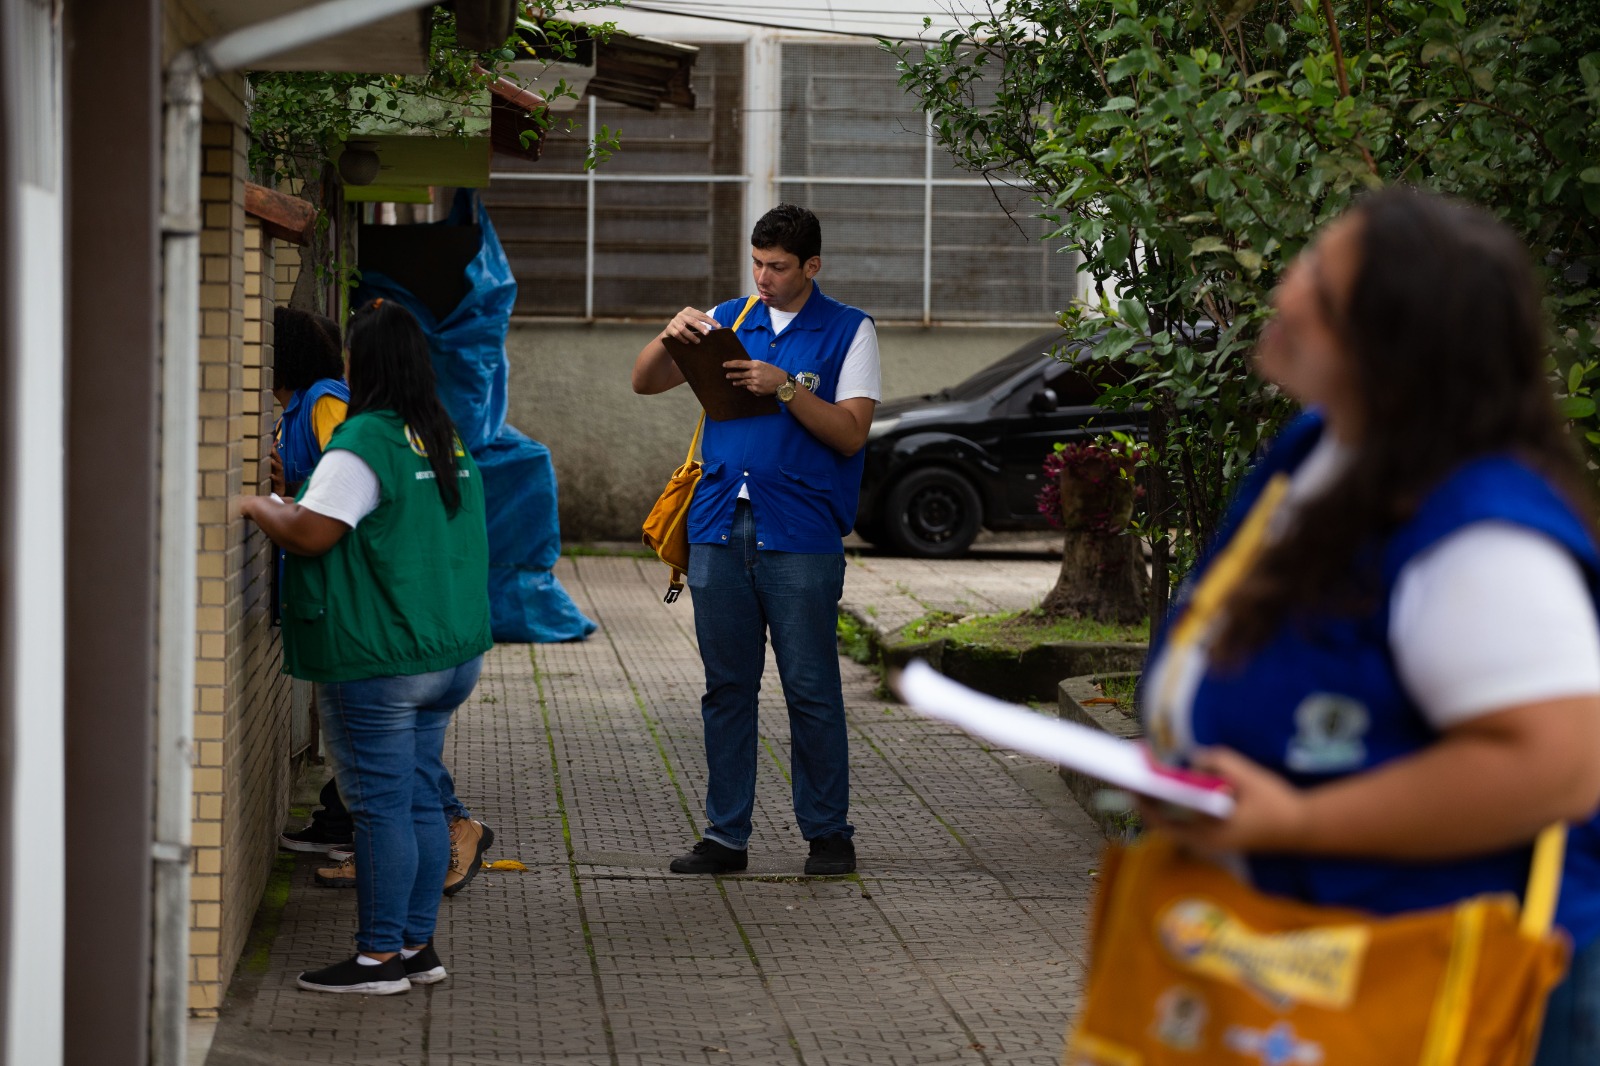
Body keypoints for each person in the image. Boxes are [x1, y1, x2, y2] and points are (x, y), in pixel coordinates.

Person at [1139, 186, 1600, 1064]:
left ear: (1394, 346)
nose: (1283, 288)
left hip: (1447, 996)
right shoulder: (1318, 449)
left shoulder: (1484, 529)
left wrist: (1300, 823)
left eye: (1318, 277)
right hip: (1304, 982)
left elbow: (1558, 766)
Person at [241, 298, 493, 994]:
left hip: (380, 660)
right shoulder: (441, 436)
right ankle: (417, 950)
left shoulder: (363, 440)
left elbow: (312, 533)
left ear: (359, 365)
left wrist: (256, 506)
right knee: (415, 799)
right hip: (448, 654)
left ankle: (377, 958)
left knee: (380, 808)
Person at [631, 204, 880, 876]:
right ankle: (725, 837)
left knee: (811, 688)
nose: (763, 277)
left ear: (811, 267)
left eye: (777, 267)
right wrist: (670, 333)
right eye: (757, 263)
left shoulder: (850, 331)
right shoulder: (730, 320)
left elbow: (852, 432)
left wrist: (785, 389)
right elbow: (645, 380)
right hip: (716, 525)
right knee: (727, 688)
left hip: (800, 534)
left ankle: (829, 834)